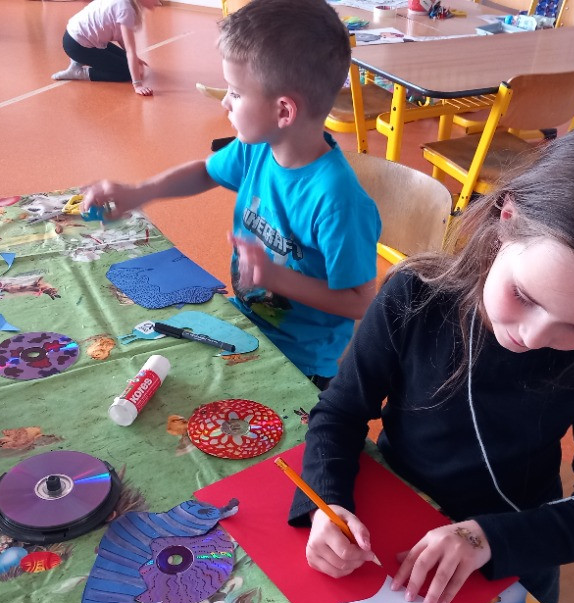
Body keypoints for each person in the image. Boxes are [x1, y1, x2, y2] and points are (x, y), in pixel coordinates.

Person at [289, 113, 574, 603]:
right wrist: (328, 502)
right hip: (389, 509)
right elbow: (339, 412)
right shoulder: (416, 295)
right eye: (525, 296)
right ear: (506, 219)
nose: (533, 337)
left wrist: (484, 538)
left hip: (509, 542)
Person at [82, 0, 381, 388]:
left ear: (284, 111)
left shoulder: (338, 201)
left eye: (236, 93)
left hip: (301, 363)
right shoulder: (258, 147)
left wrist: (276, 278)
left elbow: (361, 301)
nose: (224, 102)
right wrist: (141, 192)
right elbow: (206, 172)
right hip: (245, 324)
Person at [52, 0, 160, 96]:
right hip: (76, 45)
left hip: (76, 38)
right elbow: (130, 52)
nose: (158, 3)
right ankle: (79, 72)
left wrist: (135, 59)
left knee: (132, 64)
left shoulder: (126, 3)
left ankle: (77, 62)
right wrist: (137, 85)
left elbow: (121, 36)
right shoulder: (126, 9)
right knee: (127, 73)